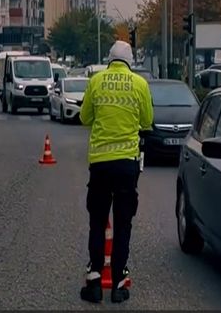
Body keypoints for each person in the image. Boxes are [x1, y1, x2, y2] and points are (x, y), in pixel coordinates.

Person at [79, 40, 153, 304]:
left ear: (109, 60)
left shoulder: (96, 81)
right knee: (123, 223)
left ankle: (95, 281)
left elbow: (85, 118)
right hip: (126, 164)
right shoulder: (140, 85)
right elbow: (147, 121)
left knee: (97, 221)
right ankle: (119, 284)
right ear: (130, 61)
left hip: (100, 164)